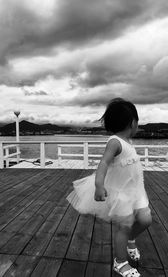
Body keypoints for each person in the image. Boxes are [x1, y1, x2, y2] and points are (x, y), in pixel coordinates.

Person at [66, 98, 152, 277]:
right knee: (125, 226)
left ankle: (130, 239)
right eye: (137, 122)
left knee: (145, 220)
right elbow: (104, 163)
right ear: (132, 122)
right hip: (121, 194)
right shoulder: (115, 141)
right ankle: (120, 263)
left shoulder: (128, 142)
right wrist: (99, 185)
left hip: (136, 191)